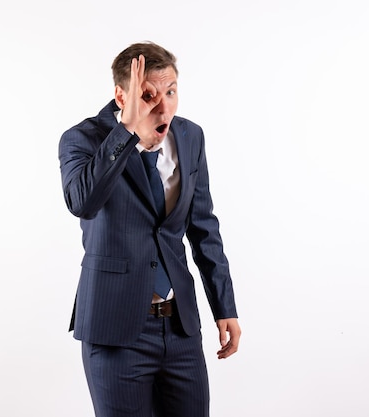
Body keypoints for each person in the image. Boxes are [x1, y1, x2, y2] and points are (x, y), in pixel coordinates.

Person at [58, 41, 241, 417]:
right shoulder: (83, 139)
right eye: (148, 95)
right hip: (115, 329)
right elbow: (82, 202)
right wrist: (126, 131)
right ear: (121, 96)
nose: (164, 107)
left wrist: (225, 305)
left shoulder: (190, 137)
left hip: (180, 329)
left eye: (171, 92)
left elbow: (203, 226)